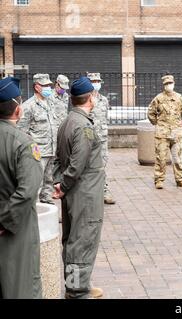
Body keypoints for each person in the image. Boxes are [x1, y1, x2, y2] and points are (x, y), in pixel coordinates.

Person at [52, 76, 105, 299]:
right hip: (85, 193)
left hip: (75, 192)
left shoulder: (68, 121)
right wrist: (63, 185)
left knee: (74, 239)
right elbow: (77, 164)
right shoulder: (83, 126)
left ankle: (79, 284)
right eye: (94, 94)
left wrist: (58, 183)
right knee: (82, 240)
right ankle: (76, 289)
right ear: (90, 98)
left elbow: (57, 159)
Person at [0, 77, 43, 299]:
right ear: (18, 110)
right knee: (21, 283)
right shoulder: (24, 143)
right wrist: (6, 221)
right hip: (14, 227)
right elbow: (27, 191)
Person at [17, 73, 57, 205]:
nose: (48, 88)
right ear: (36, 87)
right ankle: (33, 211)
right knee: (36, 183)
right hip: (38, 152)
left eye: (49, 85)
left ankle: (47, 207)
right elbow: (21, 132)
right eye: (44, 85)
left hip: (52, 149)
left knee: (49, 181)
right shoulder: (28, 106)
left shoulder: (50, 103)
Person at [148, 74, 182, 189]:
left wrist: (176, 124)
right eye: (166, 84)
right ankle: (159, 180)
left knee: (177, 158)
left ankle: (180, 179)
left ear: (174, 83)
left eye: (170, 83)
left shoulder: (179, 97)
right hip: (162, 133)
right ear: (164, 85)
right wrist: (158, 124)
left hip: (176, 132)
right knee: (161, 157)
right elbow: (151, 113)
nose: (169, 86)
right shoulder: (158, 98)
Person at [87, 72, 116, 204]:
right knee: (87, 166)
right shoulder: (84, 100)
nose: (96, 84)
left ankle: (104, 191)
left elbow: (104, 118)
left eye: (98, 81)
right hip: (88, 139)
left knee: (102, 166)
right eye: (93, 81)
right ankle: (90, 193)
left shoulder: (104, 100)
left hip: (102, 139)